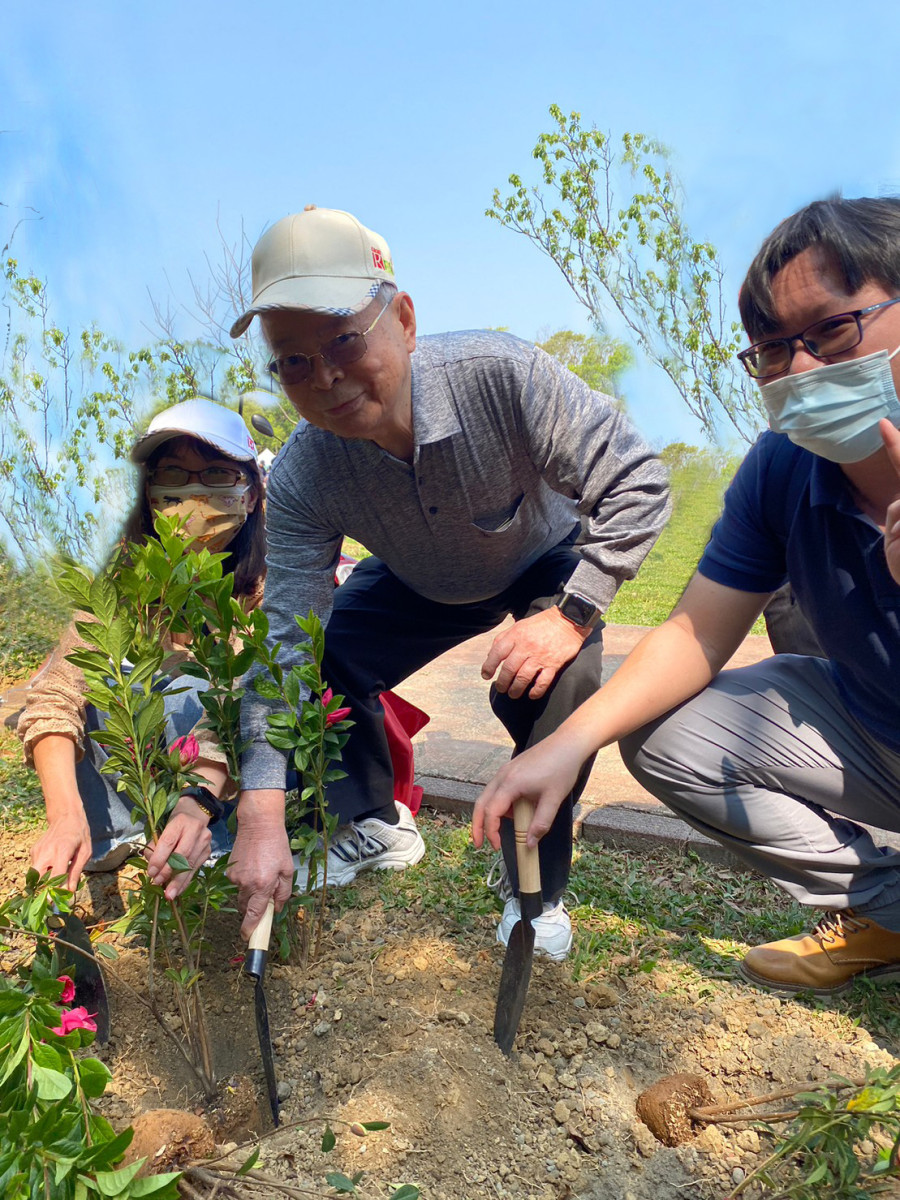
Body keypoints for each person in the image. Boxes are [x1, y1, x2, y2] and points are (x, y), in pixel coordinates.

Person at [474, 195, 900, 996]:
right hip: (878, 734)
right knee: (666, 731)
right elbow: (697, 633)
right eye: (772, 350)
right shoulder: (782, 469)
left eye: (833, 331)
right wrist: (565, 745)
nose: (799, 371)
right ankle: (889, 908)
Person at [226, 204, 670, 948]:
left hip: (542, 555)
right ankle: (373, 823)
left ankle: (535, 888)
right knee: (327, 650)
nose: (326, 377)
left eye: (342, 338)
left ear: (401, 318)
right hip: (417, 578)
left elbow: (639, 482)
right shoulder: (305, 473)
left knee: (558, 690)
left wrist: (570, 616)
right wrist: (260, 813)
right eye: (294, 360)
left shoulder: (501, 375)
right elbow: (284, 645)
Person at [20, 398, 265, 902]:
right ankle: (110, 837)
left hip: (216, 805)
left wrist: (197, 803)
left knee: (206, 682)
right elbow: (53, 696)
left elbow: (245, 699)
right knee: (110, 675)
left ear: (252, 492)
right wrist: (64, 816)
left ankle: (207, 840)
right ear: (150, 492)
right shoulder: (124, 585)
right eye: (173, 473)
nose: (193, 494)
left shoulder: (269, 588)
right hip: (148, 799)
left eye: (216, 474)